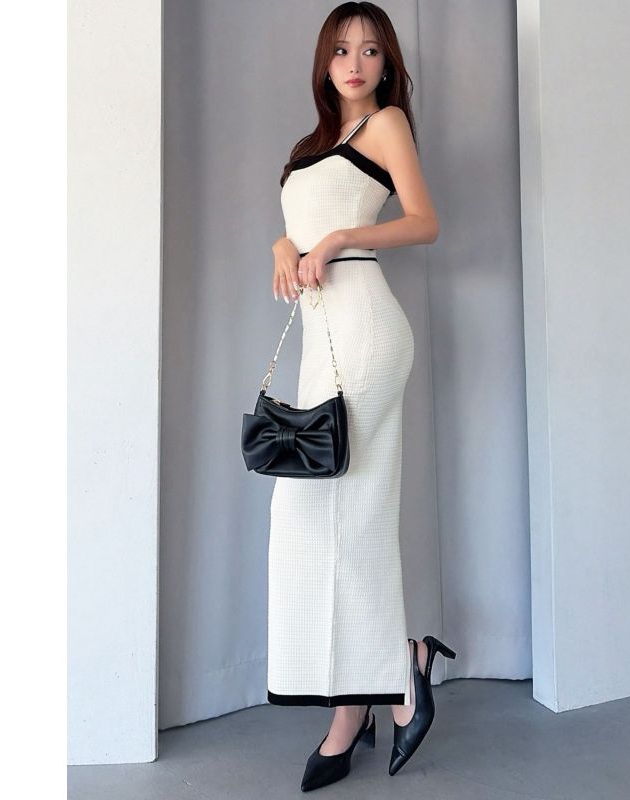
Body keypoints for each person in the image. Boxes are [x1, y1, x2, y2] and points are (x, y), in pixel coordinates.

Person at [267, 2, 456, 790]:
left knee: (353, 517)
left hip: (367, 335)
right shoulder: (311, 148)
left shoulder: (386, 126)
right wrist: (283, 244)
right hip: (323, 344)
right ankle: (384, 678)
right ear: (325, 61)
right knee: (319, 520)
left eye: (371, 50)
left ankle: (372, 696)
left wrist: (342, 238)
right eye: (342, 50)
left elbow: (425, 222)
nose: (355, 63)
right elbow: (300, 222)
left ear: (387, 64)